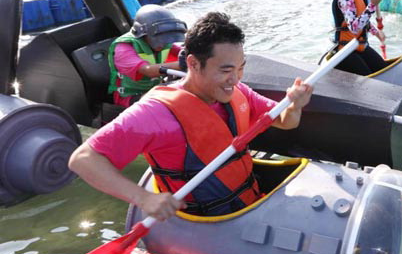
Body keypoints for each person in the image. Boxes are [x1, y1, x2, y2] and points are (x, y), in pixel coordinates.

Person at [69, 12, 313, 220]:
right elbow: (82, 159)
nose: (236, 79)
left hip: (248, 204)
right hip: (204, 219)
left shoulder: (239, 92)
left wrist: (295, 105)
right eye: (226, 70)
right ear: (194, 64)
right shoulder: (154, 113)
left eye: (240, 68)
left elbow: (286, 122)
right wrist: (143, 198)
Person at [106, 4, 185, 108]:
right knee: (170, 104)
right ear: (141, 32)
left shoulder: (166, 43)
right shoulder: (123, 47)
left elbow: (185, 53)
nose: (163, 42)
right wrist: (184, 63)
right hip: (129, 96)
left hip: (153, 89)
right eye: (159, 37)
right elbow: (147, 71)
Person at [330, 0, 387, 76]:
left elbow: (363, 21)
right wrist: (372, 5)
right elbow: (354, 28)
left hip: (359, 46)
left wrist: (377, 33)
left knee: (383, 68)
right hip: (345, 52)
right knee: (369, 78)